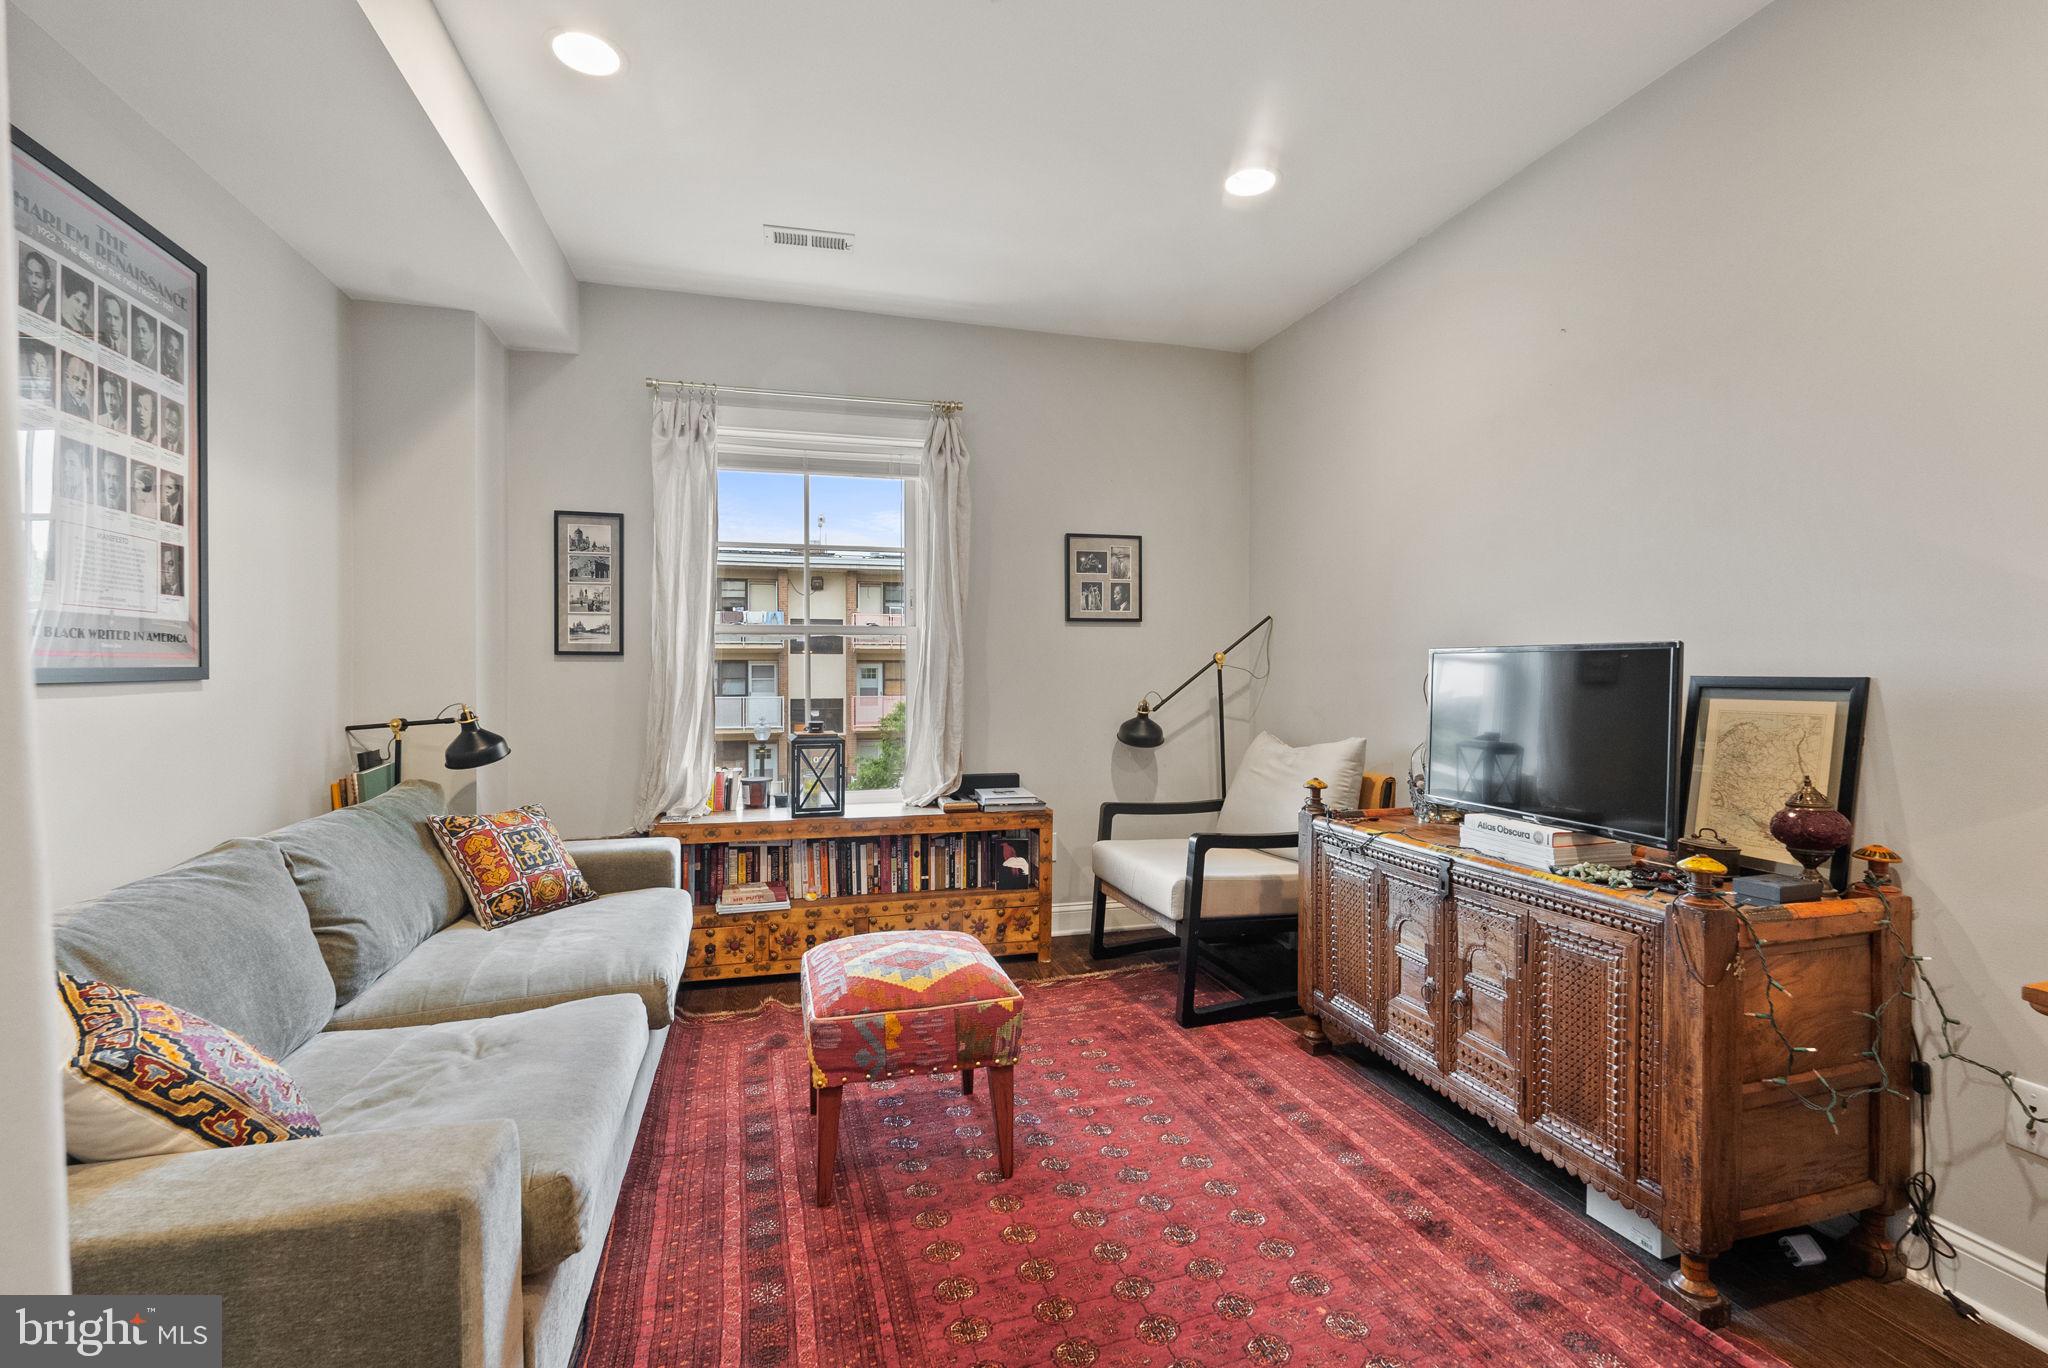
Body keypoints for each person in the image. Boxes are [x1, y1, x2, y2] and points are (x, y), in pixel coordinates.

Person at [19, 249, 55, 318]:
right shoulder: (24, 302)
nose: (33, 281)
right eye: (30, 273)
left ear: (48, 284)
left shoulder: (55, 310)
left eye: (39, 276)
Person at [19, 340, 55, 405]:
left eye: (42, 365)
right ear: (28, 365)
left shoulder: (52, 398)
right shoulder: (21, 390)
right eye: (34, 363)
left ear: (46, 370)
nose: (38, 369)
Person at [59, 270, 92, 337]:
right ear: (68, 298)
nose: (81, 309)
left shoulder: (89, 331)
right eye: (77, 301)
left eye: (85, 305)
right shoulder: (59, 321)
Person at [60, 354, 92, 420]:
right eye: (76, 378)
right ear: (67, 377)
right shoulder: (60, 402)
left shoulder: (85, 409)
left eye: (84, 381)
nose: (81, 387)